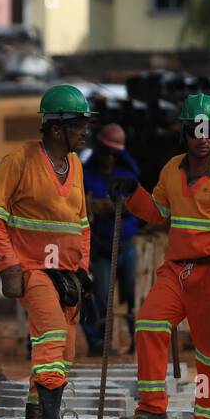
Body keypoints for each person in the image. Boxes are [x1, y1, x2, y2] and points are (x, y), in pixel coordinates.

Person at [115, 94, 210, 419]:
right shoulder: (172, 169)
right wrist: (133, 194)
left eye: (209, 130)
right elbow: (158, 213)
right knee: (148, 323)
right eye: (196, 130)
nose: (203, 137)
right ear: (186, 132)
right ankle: (151, 410)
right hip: (177, 272)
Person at [0, 84, 91, 419]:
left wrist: (83, 269)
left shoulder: (74, 165)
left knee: (66, 348)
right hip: (33, 268)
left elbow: (82, 222)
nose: (85, 132)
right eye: (78, 126)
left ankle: (36, 414)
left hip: (68, 274)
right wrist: (8, 266)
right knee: (52, 334)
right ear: (57, 129)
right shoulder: (19, 162)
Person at [81, 123, 141, 356]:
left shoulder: (126, 175)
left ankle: (137, 340)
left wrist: (123, 207)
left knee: (131, 294)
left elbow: (136, 202)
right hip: (100, 247)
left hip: (125, 245)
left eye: (114, 154)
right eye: (106, 153)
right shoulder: (86, 176)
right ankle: (100, 344)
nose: (109, 158)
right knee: (101, 295)